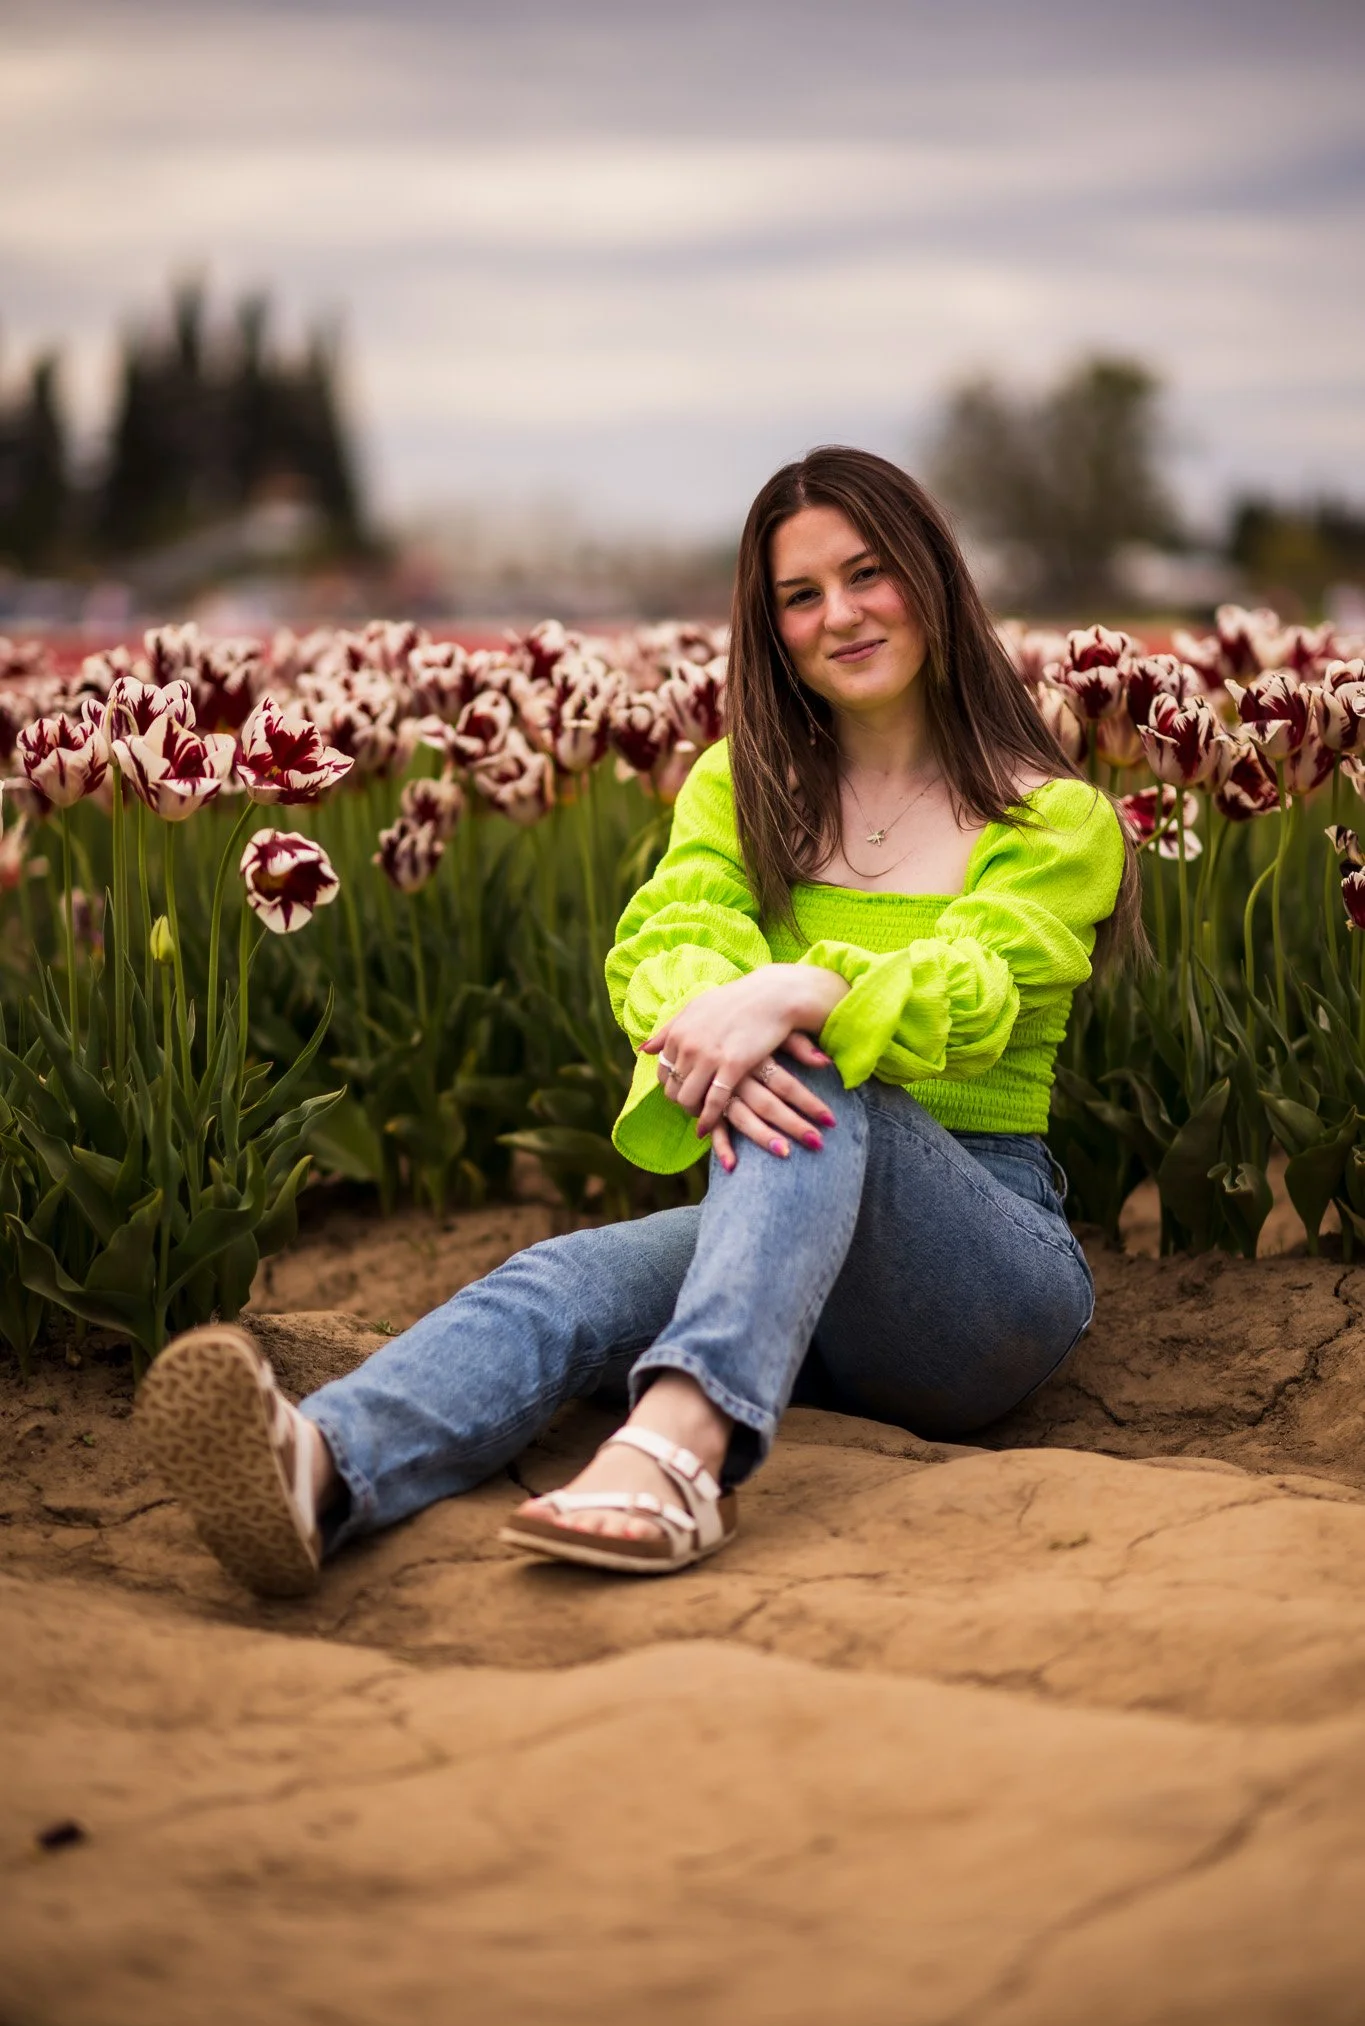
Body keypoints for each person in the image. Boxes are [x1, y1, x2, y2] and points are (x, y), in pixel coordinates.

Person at [138, 447, 1135, 1597]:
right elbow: (670, 945)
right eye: (799, 596)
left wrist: (799, 991)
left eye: (868, 574)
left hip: (975, 1281)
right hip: (772, 1225)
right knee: (563, 1281)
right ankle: (318, 1465)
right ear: (769, 628)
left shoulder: (1054, 817)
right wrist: (742, 1005)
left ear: (933, 576)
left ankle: (678, 1452)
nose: (840, 615)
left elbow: (982, 983)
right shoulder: (741, 787)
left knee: (822, 1067)